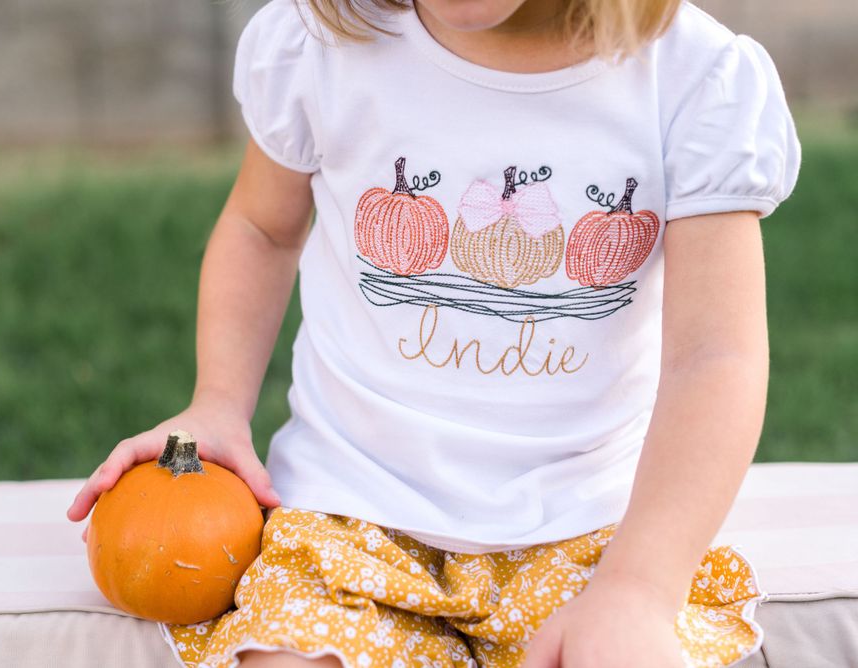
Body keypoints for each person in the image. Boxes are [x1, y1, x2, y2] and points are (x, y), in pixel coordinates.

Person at [66, 0, 801, 665]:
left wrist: (640, 588)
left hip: (597, 535)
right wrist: (218, 403)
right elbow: (262, 229)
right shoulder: (322, 43)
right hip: (352, 519)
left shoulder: (693, 80)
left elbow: (715, 358)